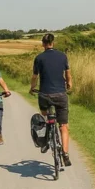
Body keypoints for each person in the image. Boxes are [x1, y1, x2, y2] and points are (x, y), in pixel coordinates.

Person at [29, 33, 73, 167]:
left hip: (45, 94)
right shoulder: (62, 56)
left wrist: (32, 88)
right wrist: (69, 84)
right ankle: (65, 154)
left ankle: (46, 140)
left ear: (43, 44)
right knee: (64, 126)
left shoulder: (39, 58)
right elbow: (68, 74)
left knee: (44, 118)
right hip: (60, 94)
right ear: (53, 43)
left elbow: (35, 77)